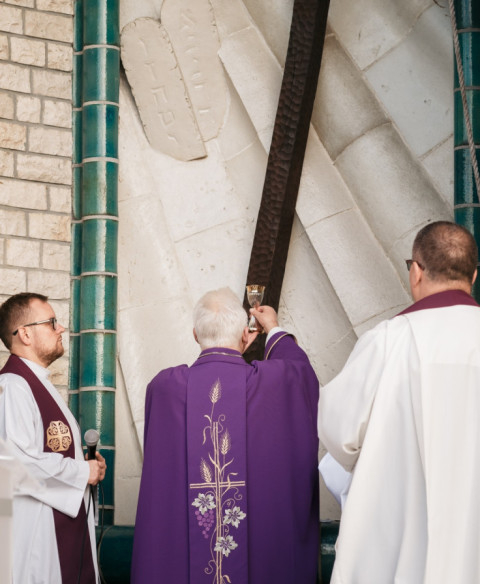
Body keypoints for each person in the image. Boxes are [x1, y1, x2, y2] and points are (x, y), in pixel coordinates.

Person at [318, 220, 480, 584]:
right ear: (473, 275)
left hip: (401, 537)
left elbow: (339, 432)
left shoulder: (388, 341)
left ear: (416, 272)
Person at [131, 287, 319, 583]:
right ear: (245, 334)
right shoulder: (273, 382)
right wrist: (274, 330)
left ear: (195, 334)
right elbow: (301, 373)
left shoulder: (164, 388)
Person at [0, 292, 106, 584]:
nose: (61, 328)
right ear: (25, 334)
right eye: (51, 322)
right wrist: (82, 471)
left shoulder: (37, 383)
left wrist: (87, 466)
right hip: (38, 537)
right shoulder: (12, 387)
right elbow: (15, 464)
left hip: (58, 528)